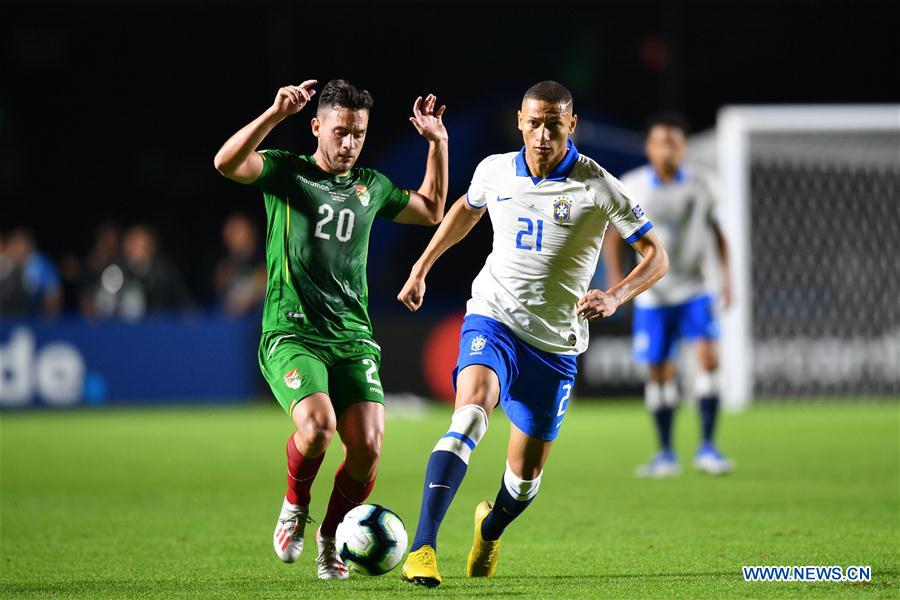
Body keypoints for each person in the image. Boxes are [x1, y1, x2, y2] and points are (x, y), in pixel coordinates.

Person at [396, 81, 668, 587]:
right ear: (520, 121)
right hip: (492, 318)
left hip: (555, 347)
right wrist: (421, 267)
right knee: (470, 416)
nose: (543, 134)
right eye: (534, 122)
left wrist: (614, 295)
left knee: (522, 484)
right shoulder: (495, 169)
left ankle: (490, 529)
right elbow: (466, 209)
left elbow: (657, 254)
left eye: (554, 124)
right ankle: (423, 548)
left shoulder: (597, 184)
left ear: (572, 125)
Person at [213, 79, 448, 579]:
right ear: (316, 127)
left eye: (358, 134)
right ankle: (296, 506)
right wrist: (275, 113)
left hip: (351, 337)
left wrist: (438, 143)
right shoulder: (286, 172)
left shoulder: (371, 186)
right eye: (340, 132)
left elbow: (430, 209)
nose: (348, 144)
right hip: (291, 333)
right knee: (319, 428)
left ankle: (331, 537)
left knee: (367, 447)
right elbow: (227, 163)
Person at [604, 112, 733, 478]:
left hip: (696, 289)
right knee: (660, 374)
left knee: (709, 362)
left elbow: (720, 235)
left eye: (674, 141)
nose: (667, 148)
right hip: (652, 295)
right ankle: (665, 453)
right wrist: (617, 282)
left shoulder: (704, 184)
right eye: (660, 141)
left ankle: (708, 447)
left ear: (684, 146)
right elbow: (613, 237)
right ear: (648, 146)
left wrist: (727, 279)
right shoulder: (632, 186)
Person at [0, 228, 62, 318]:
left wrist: (48, 321)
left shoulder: (41, 265)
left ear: (29, 246)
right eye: (14, 244)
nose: (18, 249)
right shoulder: (3, 262)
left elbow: (54, 294)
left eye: (21, 245)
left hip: (34, 318)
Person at [213, 212, 266, 316]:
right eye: (229, 232)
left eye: (236, 232)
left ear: (251, 233)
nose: (230, 237)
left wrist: (251, 296)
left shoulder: (268, 259)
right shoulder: (226, 265)